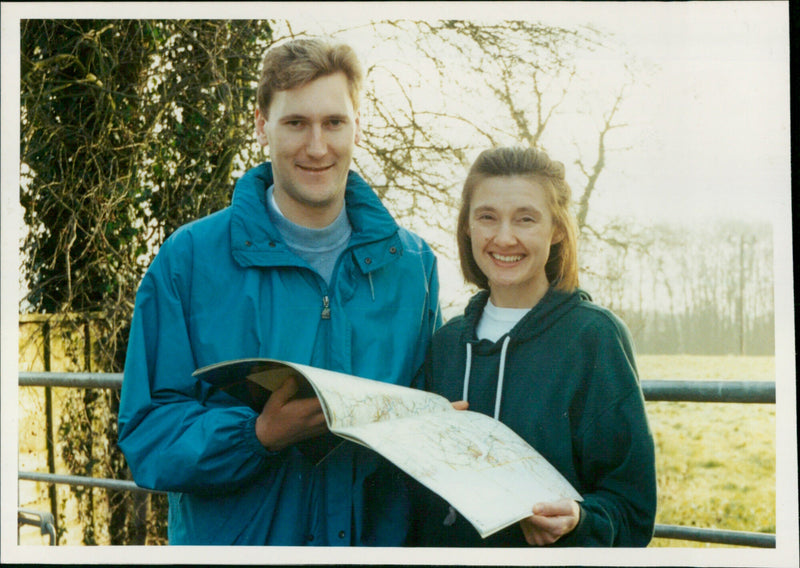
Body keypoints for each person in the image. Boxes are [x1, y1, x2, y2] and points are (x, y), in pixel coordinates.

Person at [117, 38, 442, 546]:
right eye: (296, 123)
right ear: (260, 124)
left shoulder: (414, 264)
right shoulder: (188, 260)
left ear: (358, 125)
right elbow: (148, 433)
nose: (317, 147)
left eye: (334, 122)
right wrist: (257, 437)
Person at [407, 146, 656, 547]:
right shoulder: (446, 344)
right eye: (487, 217)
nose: (504, 237)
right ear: (467, 226)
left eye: (526, 219)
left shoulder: (594, 338)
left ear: (557, 229)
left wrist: (580, 519)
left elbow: (632, 509)